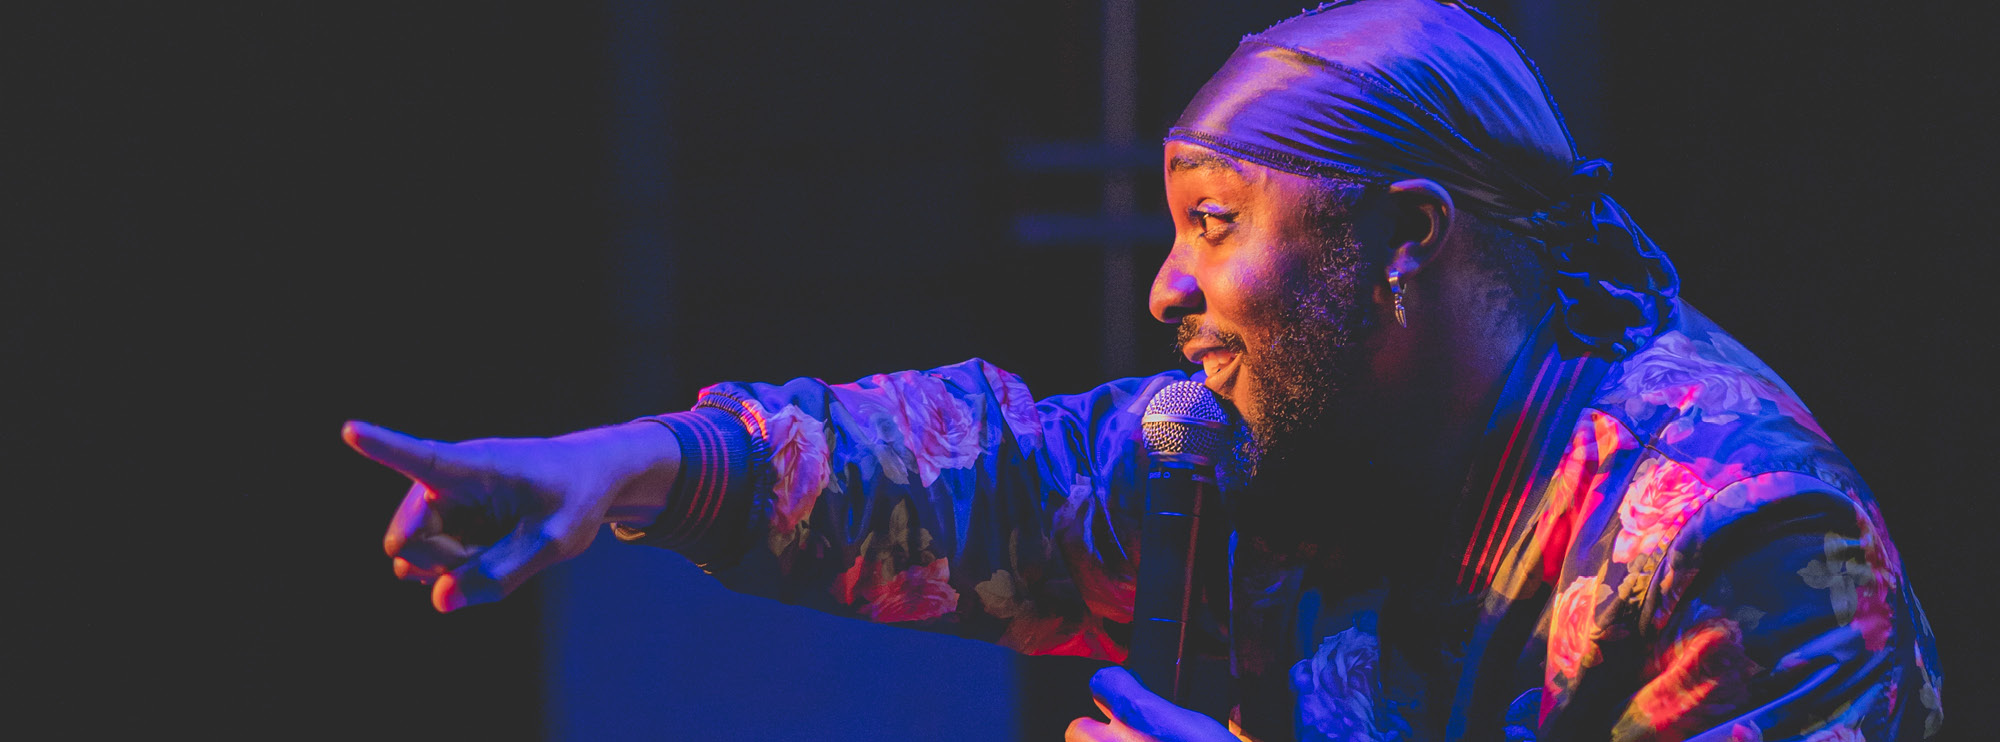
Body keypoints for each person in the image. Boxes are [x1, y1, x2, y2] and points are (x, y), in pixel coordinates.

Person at [344, 1, 1943, 740]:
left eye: (1217, 222)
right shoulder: (1263, 448)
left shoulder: (1735, 538)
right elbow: (987, 478)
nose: (1171, 284)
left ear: (1403, 239)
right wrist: (630, 464)